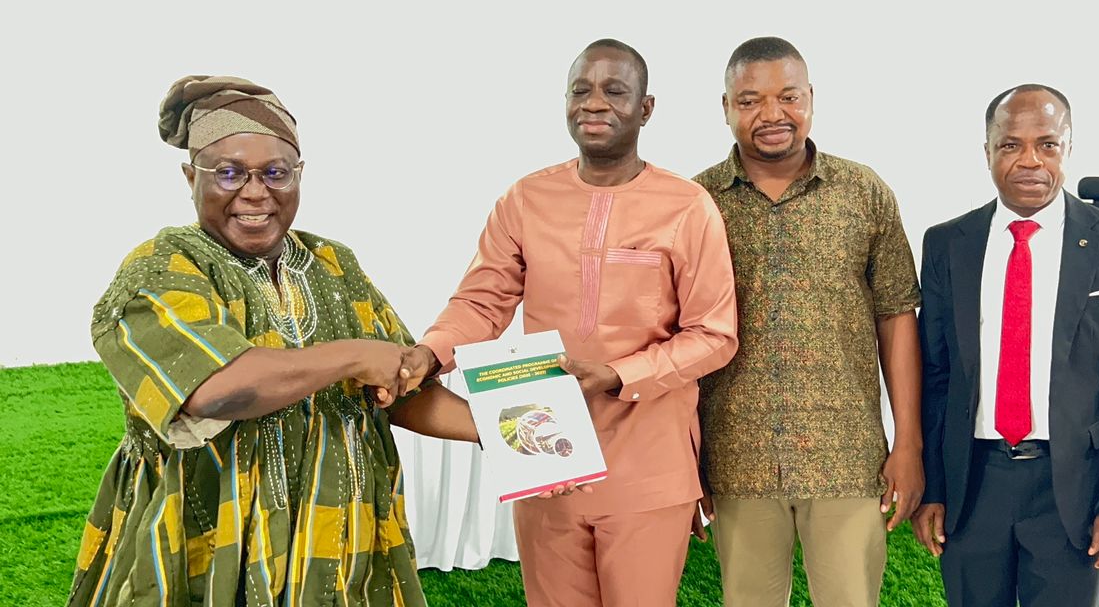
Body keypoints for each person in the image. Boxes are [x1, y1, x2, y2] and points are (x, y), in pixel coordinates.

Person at [66, 76, 479, 607]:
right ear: (190, 177)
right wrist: (353, 356)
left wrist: (510, 436)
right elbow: (214, 389)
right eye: (229, 172)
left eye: (276, 173)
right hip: (208, 536)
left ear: (299, 175)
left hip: (340, 534)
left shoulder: (333, 263)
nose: (255, 192)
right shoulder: (162, 266)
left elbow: (401, 389)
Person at [400, 39, 738, 606]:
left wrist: (616, 374)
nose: (594, 103)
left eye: (614, 91)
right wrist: (431, 353)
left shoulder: (687, 205)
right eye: (581, 90)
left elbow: (714, 335)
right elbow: (482, 302)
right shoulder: (526, 199)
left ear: (646, 109)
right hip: (542, 453)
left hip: (648, 461)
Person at [692, 36, 925, 606]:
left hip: (846, 454)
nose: (772, 114)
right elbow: (681, 336)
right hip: (737, 457)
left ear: (811, 99)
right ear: (725, 107)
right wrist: (686, 458)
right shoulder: (696, 202)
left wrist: (908, 443)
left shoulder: (864, 192)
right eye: (749, 100)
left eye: (788, 97)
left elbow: (896, 316)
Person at [912, 84, 1099, 606]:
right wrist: (932, 487)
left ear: (1068, 147)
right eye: (1011, 145)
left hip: (1073, 487)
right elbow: (935, 376)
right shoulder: (947, 243)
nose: (1030, 160)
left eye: (1047, 144)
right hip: (972, 485)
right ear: (987, 151)